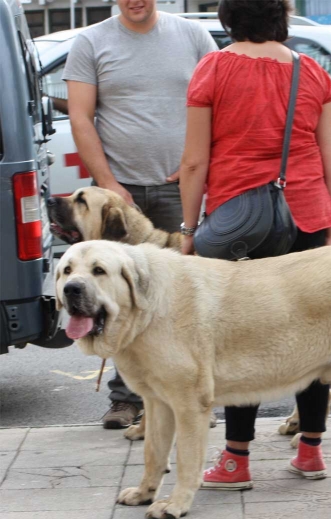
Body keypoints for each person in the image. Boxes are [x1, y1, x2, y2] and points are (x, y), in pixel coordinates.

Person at [179, 0, 331, 489]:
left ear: (229, 18)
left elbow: (193, 162)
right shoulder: (311, 72)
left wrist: (189, 232)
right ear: (283, 17)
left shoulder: (212, 68)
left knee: (242, 336)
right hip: (308, 215)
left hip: (242, 224)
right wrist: (330, 220)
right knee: (316, 333)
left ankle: (236, 461)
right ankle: (311, 450)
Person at [63, 0, 217, 429]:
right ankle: (127, 397)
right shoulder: (91, 42)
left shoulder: (193, 37)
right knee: (113, 293)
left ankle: (191, 395)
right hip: (117, 200)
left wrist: (196, 163)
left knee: (182, 298)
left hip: (179, 189)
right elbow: (80, 116)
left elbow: (217, 106)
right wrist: (108, 184)